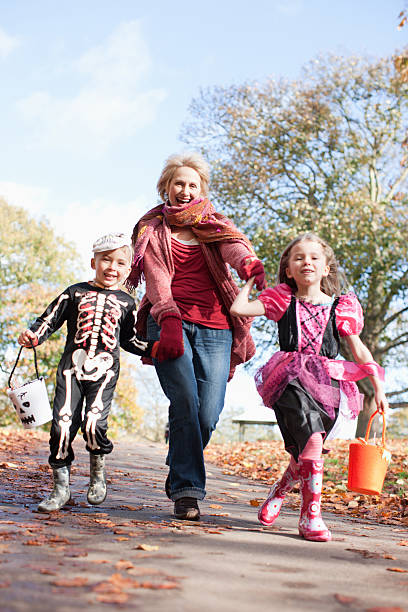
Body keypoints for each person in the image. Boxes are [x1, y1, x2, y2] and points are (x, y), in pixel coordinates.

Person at [127, 152, 265, 520]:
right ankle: (186, 492)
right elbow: (156, 279)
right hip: (168, 320)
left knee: (207, 412)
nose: (185, 190)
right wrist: (168, 318)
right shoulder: (152, 229)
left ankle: (179, 455)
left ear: (202, 190)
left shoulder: (215, 224)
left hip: (216, 325)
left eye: (193, 185)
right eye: (179, 184)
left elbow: (233, 248)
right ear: (166, 188)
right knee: (185, 400)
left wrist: (248, 264)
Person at [230, 233, 387, 542]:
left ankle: (280, 490)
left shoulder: (342, 307)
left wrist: (378, 387)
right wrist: (250, 281)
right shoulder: (281, 299)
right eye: (299, 257)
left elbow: (359, 350)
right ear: (288, 269)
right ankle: (310, 517)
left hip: (328, 382)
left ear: (326, 268)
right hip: (288, 378)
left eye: (315, 257)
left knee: (306, 451)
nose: (307, 262)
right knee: (312, 440)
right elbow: (239, 309)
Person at [18, 233, 160, 513]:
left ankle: (97, 473)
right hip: (71, 369)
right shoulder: (74, 292)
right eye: (106, 260)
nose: (112, 268)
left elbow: (130, 339)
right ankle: (60, 489)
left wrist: (156, 350)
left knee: (94, 424)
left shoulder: (127, 303)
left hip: (105, 373)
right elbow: (48, 320)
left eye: (120, 263)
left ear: (128, 269)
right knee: (61, 426)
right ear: (93, 261)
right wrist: (33, 336)